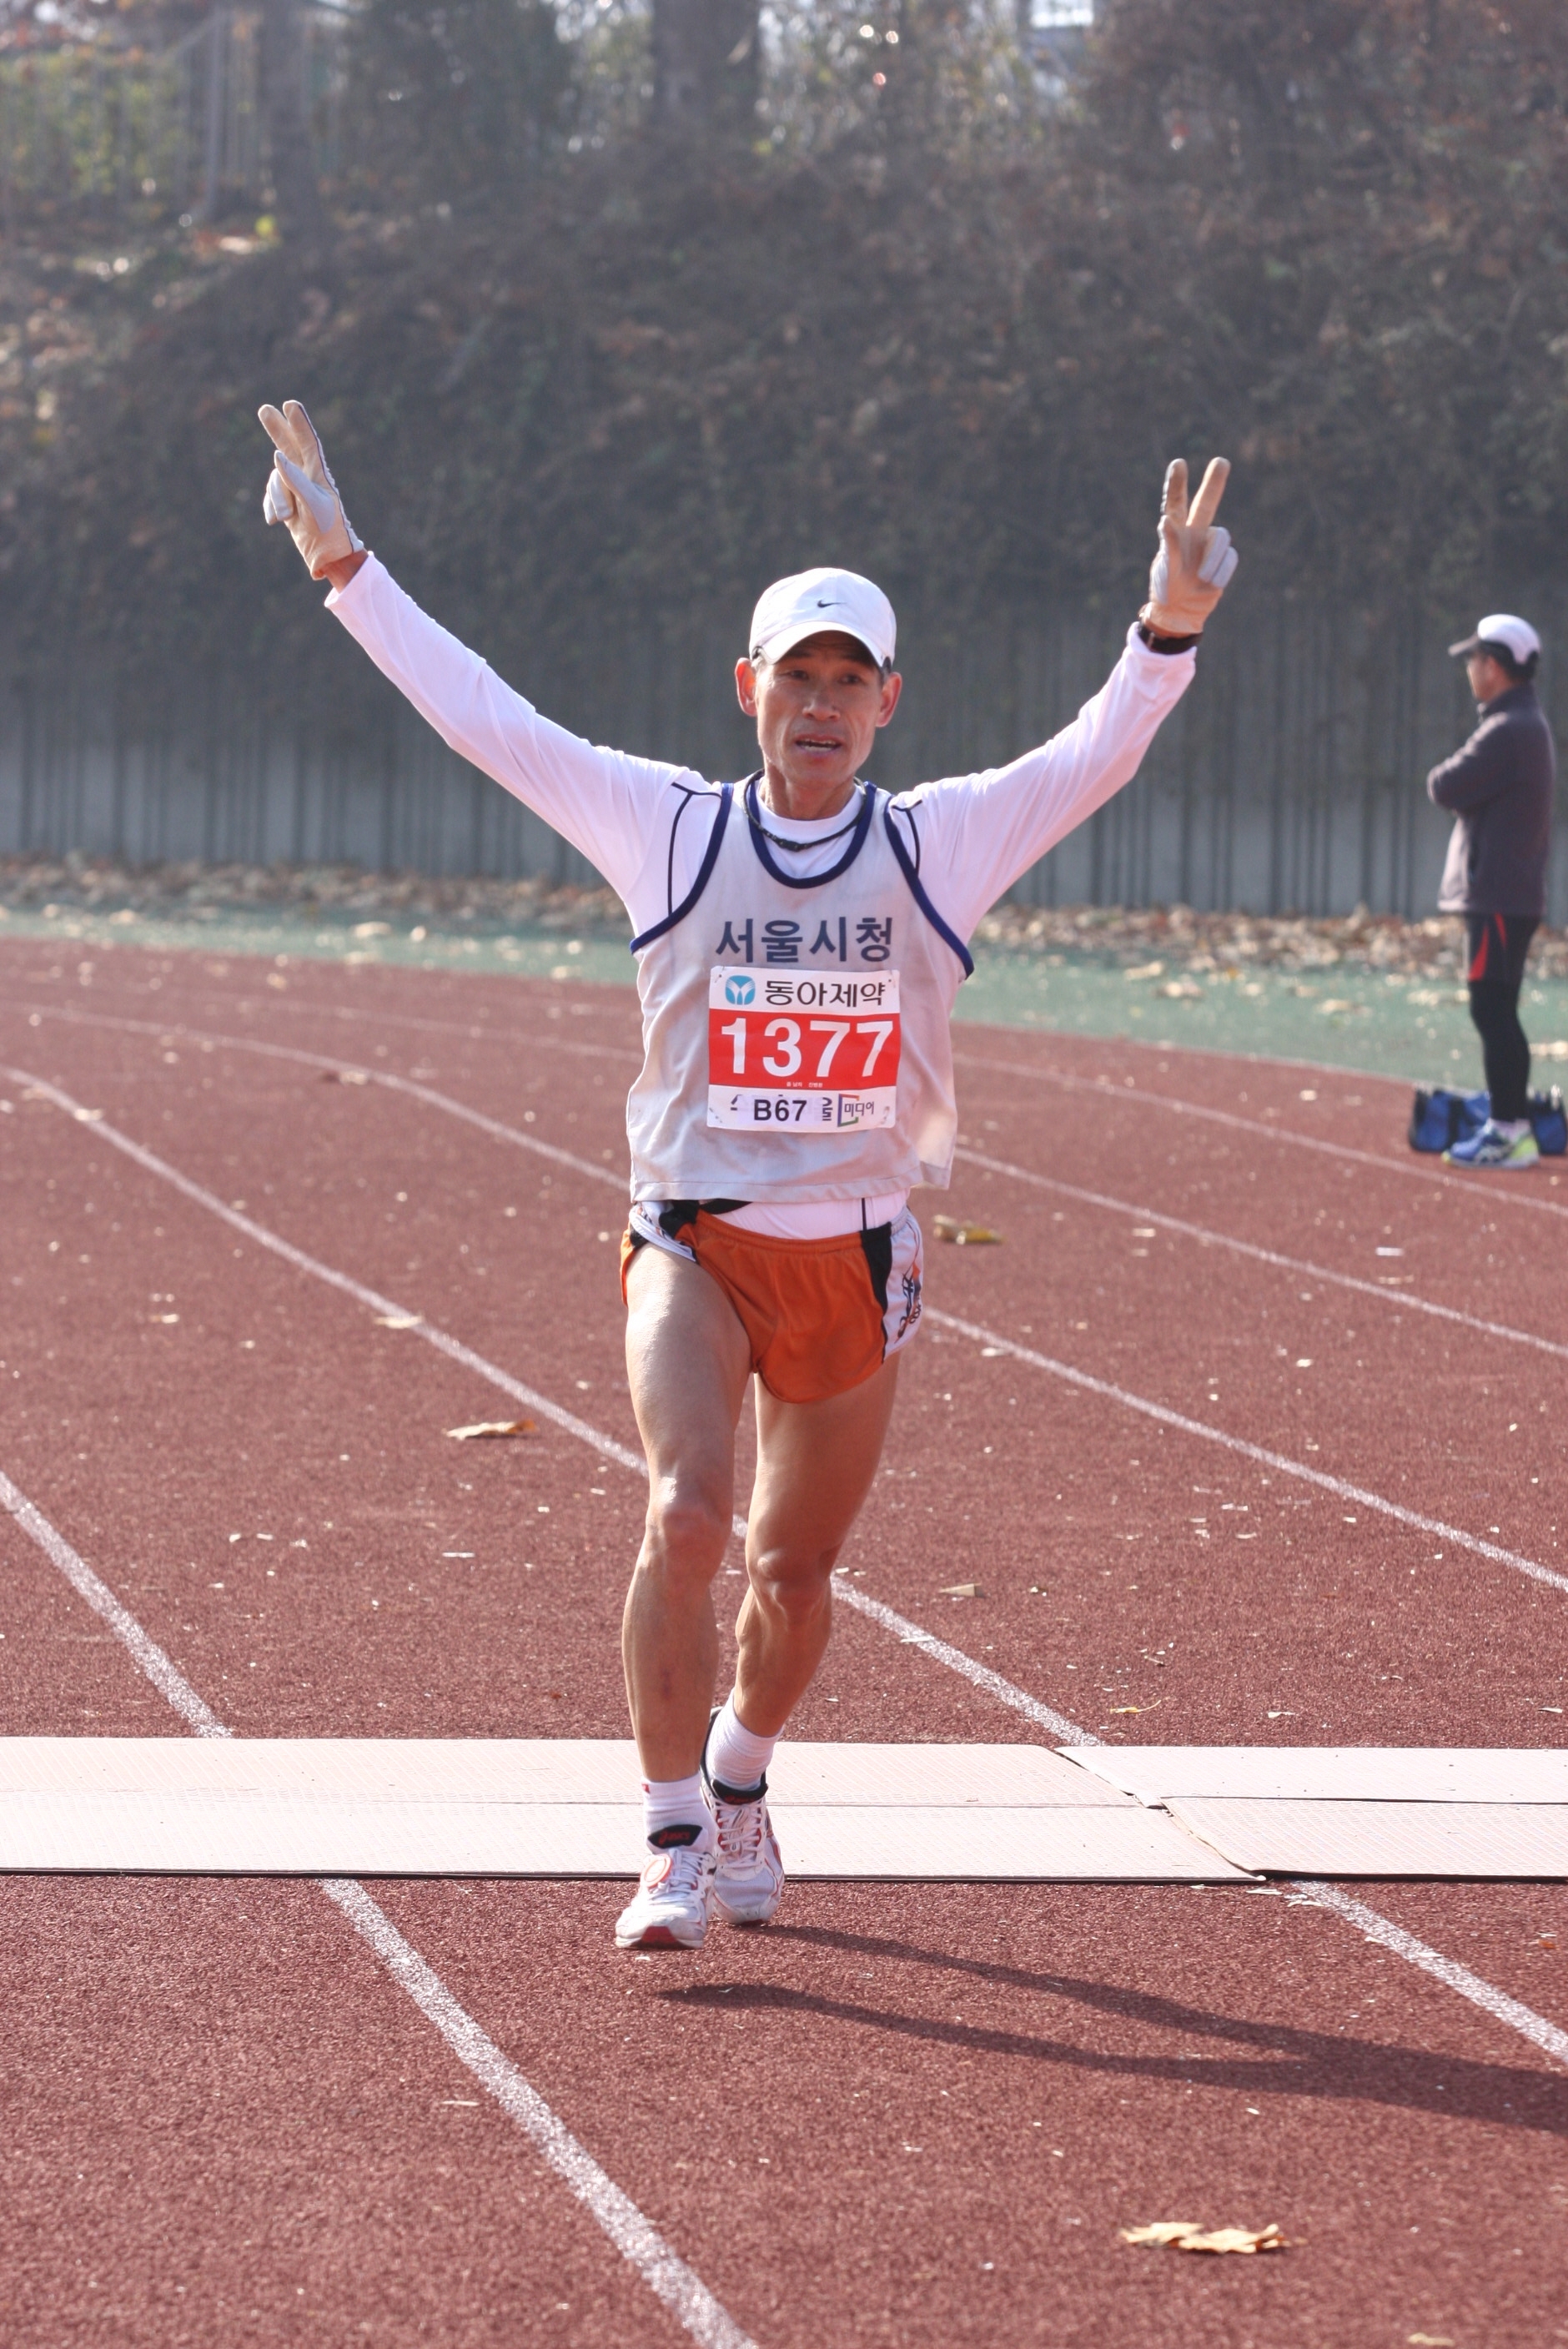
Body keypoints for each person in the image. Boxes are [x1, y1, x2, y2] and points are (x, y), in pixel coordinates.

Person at [258, 399, 1238, 1950]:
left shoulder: (940, 844)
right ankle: (666, 1840)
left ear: (889, 702)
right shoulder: (662, 825)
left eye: (850, 679)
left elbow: (1092, 755)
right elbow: (485, 716)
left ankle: (738, 1775)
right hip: (694, 1241)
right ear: (750, 690)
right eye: (798, 675)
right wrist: (344, 567)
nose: (822, 703)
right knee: (688, 1511)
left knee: (792, 1570)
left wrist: (1165, 632)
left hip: (857, 1255)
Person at [1428, 614, 1555, 1169]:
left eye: (1474, 659)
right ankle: (1510, 1123)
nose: (1469, 669)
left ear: (1495, 666)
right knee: (1497, 1009)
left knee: (1493, 1011)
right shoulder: (1521, 723)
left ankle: (1509, 1131)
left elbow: (1443, 784)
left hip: (1499, 897)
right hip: (1508, 894)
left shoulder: (1508, 729)